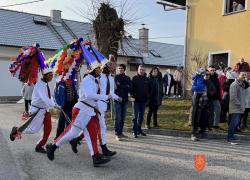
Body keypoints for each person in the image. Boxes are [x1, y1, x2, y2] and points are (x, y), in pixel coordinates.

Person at [46, 64, 112, 167]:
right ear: (92, 70)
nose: (100, 69)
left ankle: (95, 157)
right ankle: (53, 146)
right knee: (72, 133)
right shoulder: (87, 80)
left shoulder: (94, 80)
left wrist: (96, 107)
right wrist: (105, 97)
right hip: (82, 110)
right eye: (98, 68)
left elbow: (92, 99)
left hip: (89, 110)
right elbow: (89, 95)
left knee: (92, 133)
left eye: (100, 68)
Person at [10, 68, 60, 153]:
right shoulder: (40, 85)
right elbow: (44, 97)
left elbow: (49, 97)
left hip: (45, 110)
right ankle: (17, 129)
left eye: (52, 75)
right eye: (50, 75)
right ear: (45, 75)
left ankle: (39, 146)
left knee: (48, 128)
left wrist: (55, 104)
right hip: (37, 110)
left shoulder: (45, 84)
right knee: (34, 129)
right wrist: (54, 106)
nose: (51, 77)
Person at [227, 71, 247, 145]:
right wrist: (239, 105)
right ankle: (229, 138)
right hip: (235, 108)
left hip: (240, 107)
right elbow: (233, 97)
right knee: (233, 123)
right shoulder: (234, 84)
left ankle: (231, 136)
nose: (244, 77)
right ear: (238, 75)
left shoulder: (242, 84)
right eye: (242, 75)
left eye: (245, 75)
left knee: (236, 123)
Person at [131, 65, 150, 138]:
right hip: (136, 101)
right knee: (135, 117)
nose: (141, 71)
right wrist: (132, 96)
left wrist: (148, 96)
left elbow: (149, 89)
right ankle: (134, 131)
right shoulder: (134, 78)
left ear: (145, 71)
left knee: (141, 117)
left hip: (144, 101)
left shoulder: (147, 79)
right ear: (138, 70)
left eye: (143, 70)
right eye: (140, 69)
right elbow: (131, 88)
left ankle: (139, 130)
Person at [190, 68, 209, 141]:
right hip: (197, 97)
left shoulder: (204, 80)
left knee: (203, 115)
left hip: (203, 97)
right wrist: (199, 90)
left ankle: (201, 132)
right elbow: (194, 87)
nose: (205, 75)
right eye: (204, 73)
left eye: (206, 74)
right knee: (196, 115)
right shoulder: (197, 78)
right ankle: (193, 133)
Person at [114, 64, 131, 141]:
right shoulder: (115, 78)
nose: (120, 69)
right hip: (117, 100)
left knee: (123, 118)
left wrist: (120, 85)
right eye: (119, 68)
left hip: (125, 100)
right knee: (118, 118)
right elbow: (115, 88)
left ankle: (120, 132)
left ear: (124, 69)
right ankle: (117, 134)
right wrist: (125, 86)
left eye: (121, 68)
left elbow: (130, 88)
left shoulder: (128, 78)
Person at [208, 65, 222, 130]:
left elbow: (218, 87)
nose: (212, 71)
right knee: (210, 112)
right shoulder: (207, 77)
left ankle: (215, 125)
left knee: (218, 110)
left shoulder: (216, 77)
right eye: (211, 70)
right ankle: (209, 125)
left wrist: (219, 97)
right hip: (209, 97)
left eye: (213, 70)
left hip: (216, 97)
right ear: (208, 70)